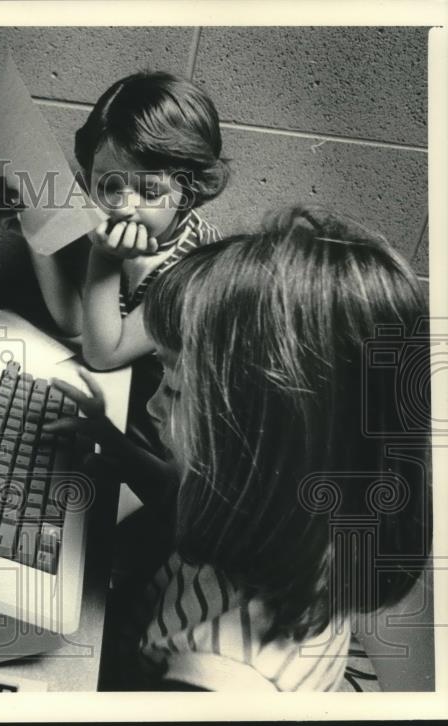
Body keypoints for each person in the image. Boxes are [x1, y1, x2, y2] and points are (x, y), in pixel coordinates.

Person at [46, 206, 432, 691]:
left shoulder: (220, 682)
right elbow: (184, 498)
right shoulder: (292, 518)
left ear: (256, 442)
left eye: (176, 388)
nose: (151, 405)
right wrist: (121, 453)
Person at [0, 71, 229, 452]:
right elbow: (77, 324)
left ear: (188, 194)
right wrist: (35, 233)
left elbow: (103, 354)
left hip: (183, 445)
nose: (124, 206)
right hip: (135, 407)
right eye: (108, 186)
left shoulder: (195, 268)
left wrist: (104, 260)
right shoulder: (127, 232)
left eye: (149, 190)